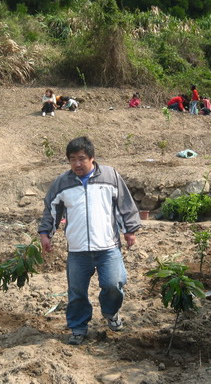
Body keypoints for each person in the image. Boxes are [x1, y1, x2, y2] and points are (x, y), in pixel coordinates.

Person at [38, 136, 141, 345]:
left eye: (82, 158)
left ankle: (111, 313)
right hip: (77, 250)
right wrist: (45, 233)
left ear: (92, 158)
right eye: (72, 159)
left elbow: (124, 204)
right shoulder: (62, 183)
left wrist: (129, 230)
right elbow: (51, 209)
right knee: (76, 292)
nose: (77, 163)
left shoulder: (110, 176)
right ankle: (78, 328)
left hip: (108, 247)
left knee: (114, 283)